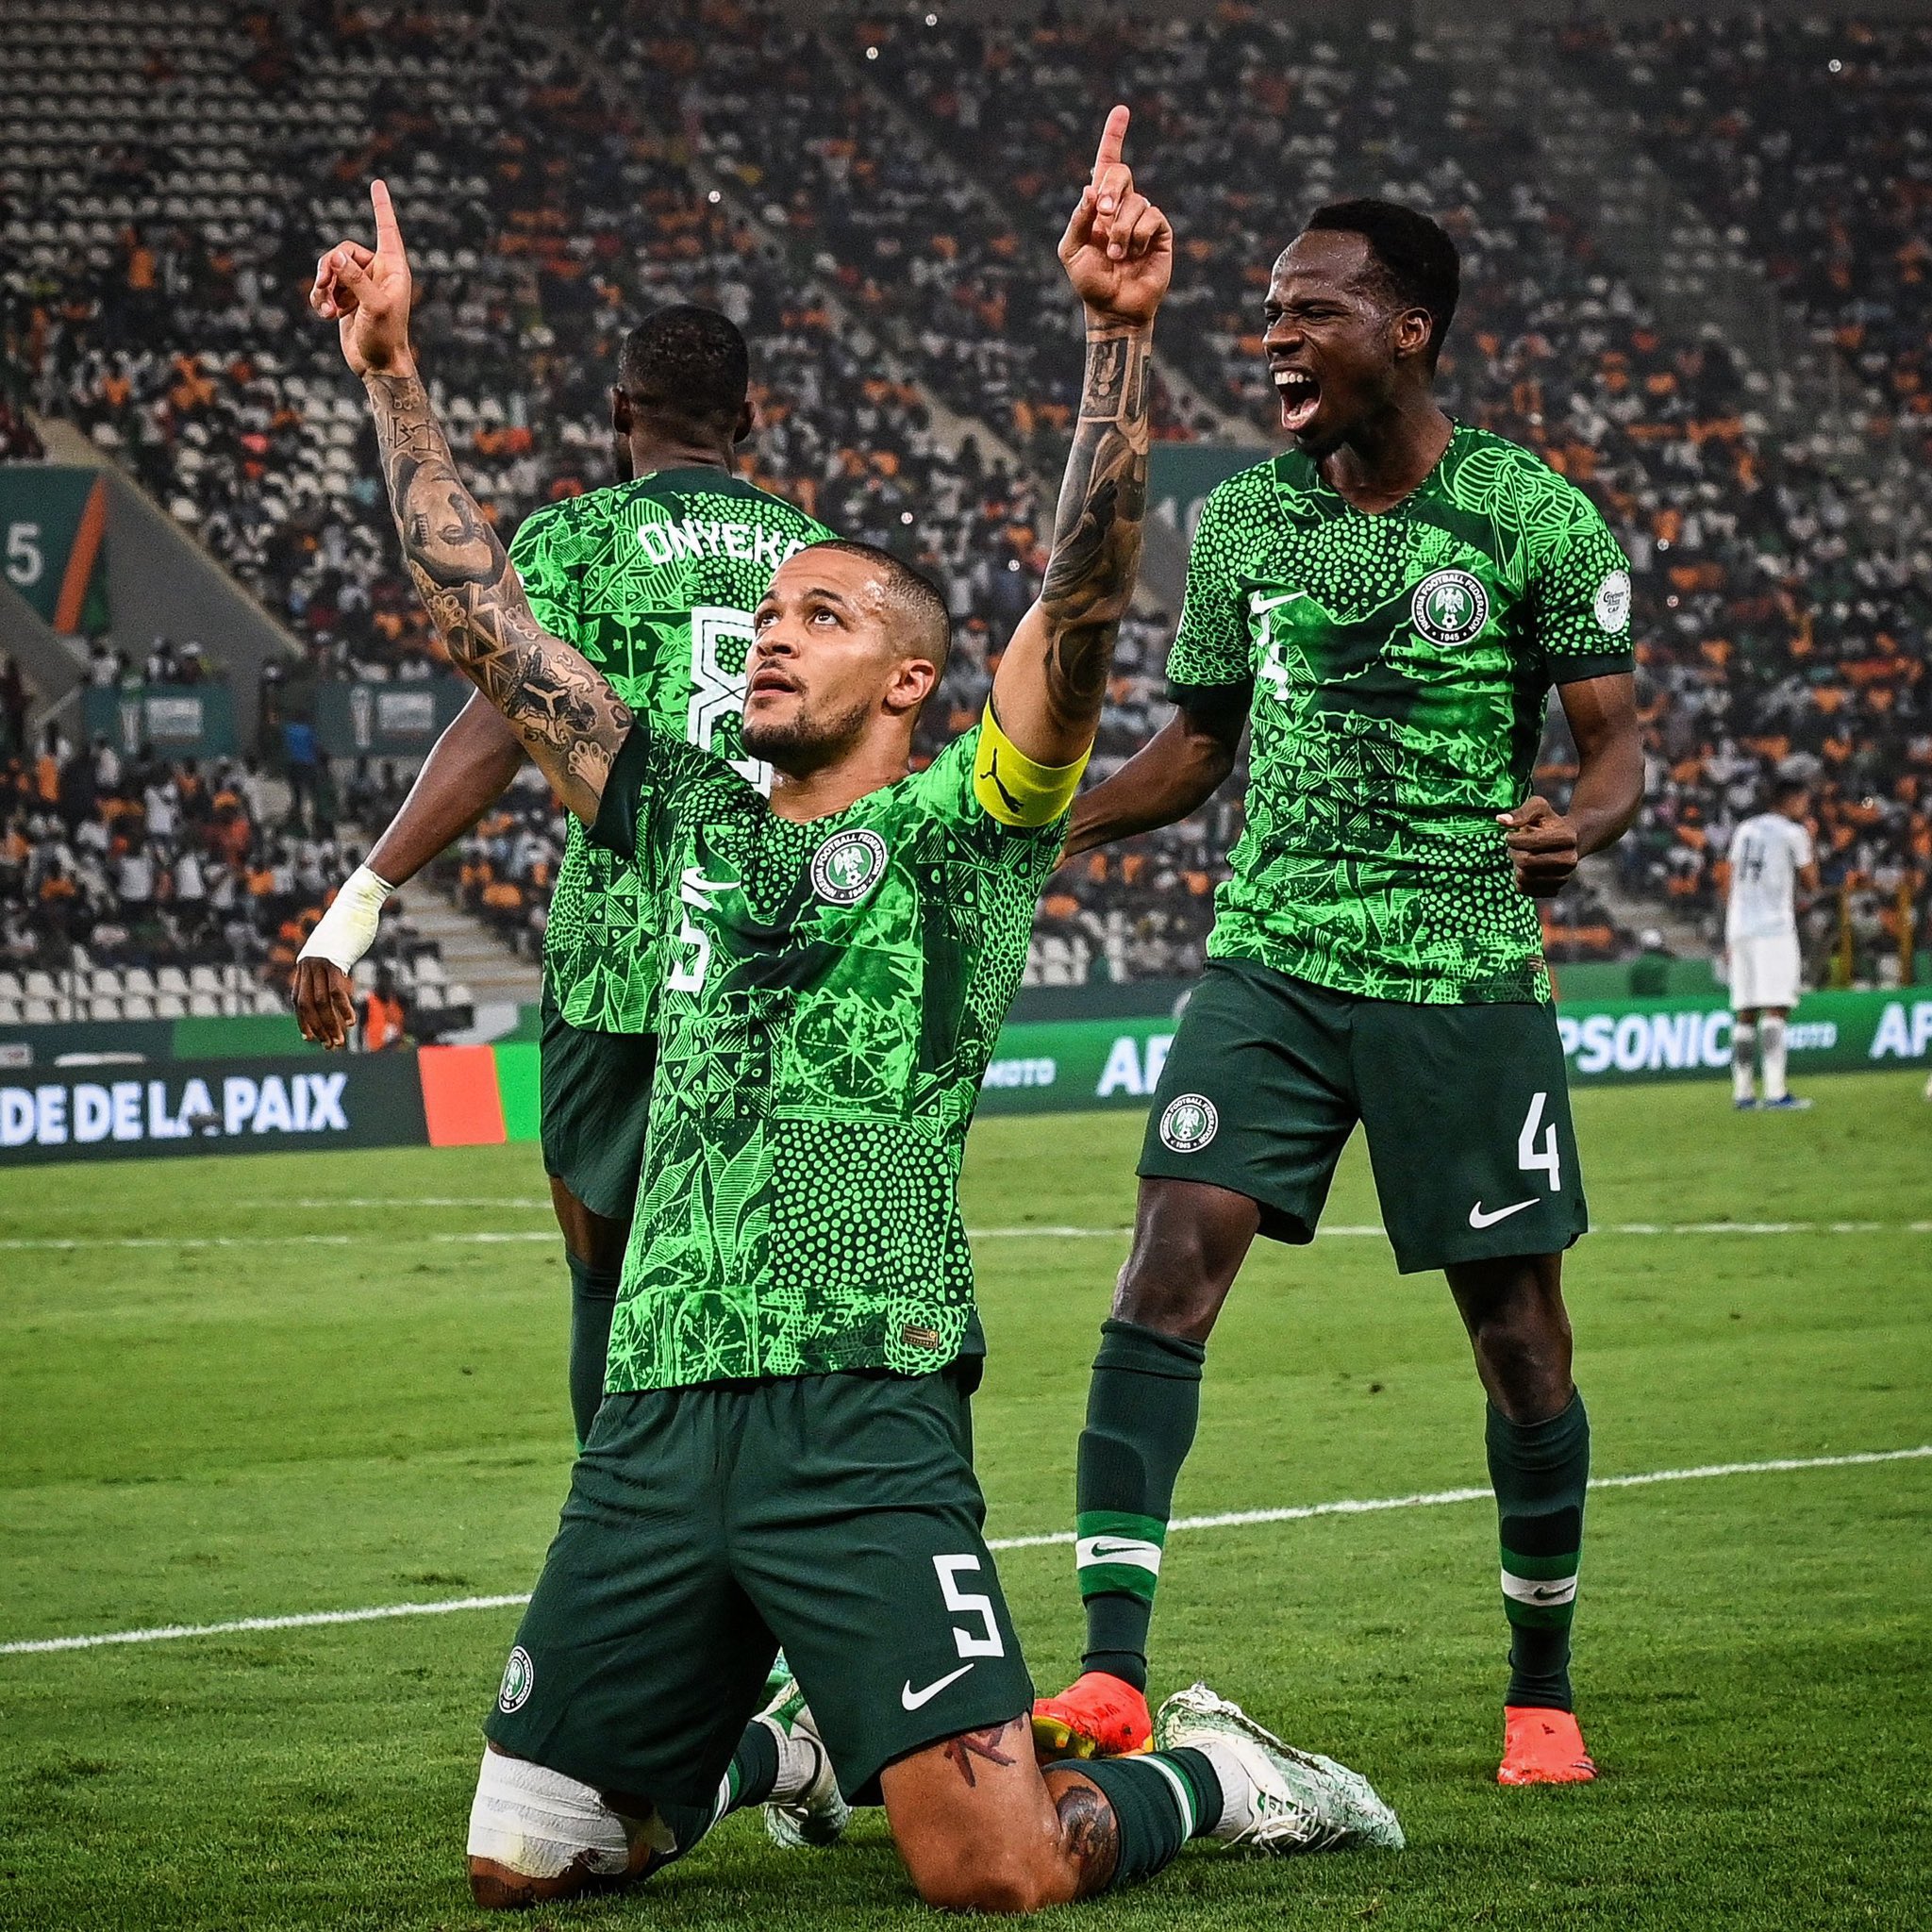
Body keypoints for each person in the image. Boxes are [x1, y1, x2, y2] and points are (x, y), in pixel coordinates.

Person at [312, 126, 1402, 1914]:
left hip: (857, 1401)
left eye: (816, 615)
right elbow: (487, 625)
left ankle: (1221, 1775)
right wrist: (391, 374)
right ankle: (791, 1747)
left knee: (993, 1869)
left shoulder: (964, 829)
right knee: (529, 1860)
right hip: (657, 1410)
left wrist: (1116, 338)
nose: (767, 631)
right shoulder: (681, 816)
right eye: (762, 611)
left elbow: (1079, 606)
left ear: (908, 679)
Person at [1031, 200, 1643, 1788]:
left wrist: (1577, 825)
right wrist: (1047, 827)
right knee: (1164, 1263)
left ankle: (1541, 1690)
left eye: (1310, 311)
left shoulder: (1528, 514)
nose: (1274, 337)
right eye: (1268, 312)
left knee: (1518, 1337)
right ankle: (1108, 1672)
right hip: (1275, 960)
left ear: (1407, 331)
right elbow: (1197, 744)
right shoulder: (1244, 521)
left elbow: (1615, 745)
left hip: (1458, 972)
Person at [293, 304, 830, 1447]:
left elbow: (503, 724)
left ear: (620, 410)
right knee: (765, 1268)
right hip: (775, 956)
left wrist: (361, 898)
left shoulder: (577, 539)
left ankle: (618, 1521)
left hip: (616, 964)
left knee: (604, 1278)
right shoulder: (820, 560)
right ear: (745, 420)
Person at [1724, 779, 1818, 1111]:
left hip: (1739, 927)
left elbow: (1728, 876)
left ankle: (1743, 1093)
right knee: (1777, 1007)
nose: (1805, 806)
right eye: (1803, 799)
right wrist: (1812, 840)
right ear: (1789, 800)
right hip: (1774, 928)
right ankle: (1776, 1092)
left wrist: (1728, 927)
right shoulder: (1794, 832)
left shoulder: (1745, 830)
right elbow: (1812, 883)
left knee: (1745, 1011)